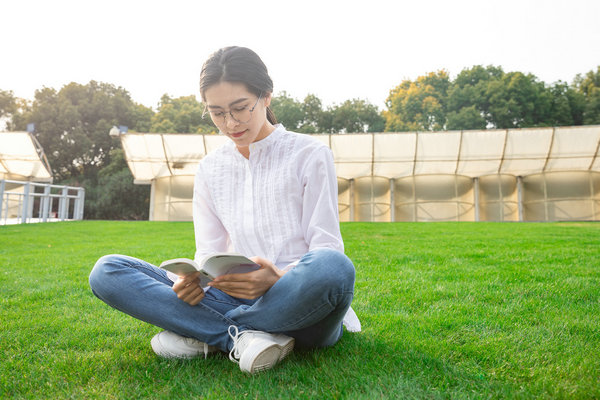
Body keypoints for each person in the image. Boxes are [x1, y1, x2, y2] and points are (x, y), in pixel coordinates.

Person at [89, 46, 360, 374]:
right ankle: (239, 337)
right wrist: (191, 281)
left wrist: (276, 279)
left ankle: (204, 333)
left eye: (240, 108)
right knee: (108, 271)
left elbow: (326, 247)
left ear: (267, 97)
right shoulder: (210, 169)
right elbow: (208, 254)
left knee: (333, 268)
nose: (230, 123)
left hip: (297, 298)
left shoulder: (310, 154)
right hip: (230, 295)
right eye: (217, 112)